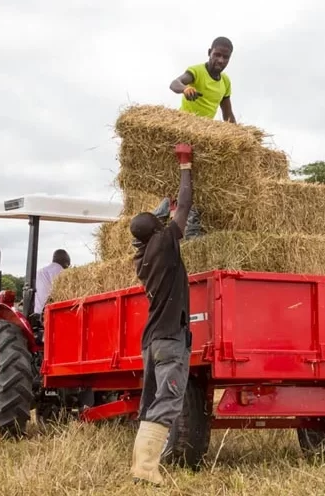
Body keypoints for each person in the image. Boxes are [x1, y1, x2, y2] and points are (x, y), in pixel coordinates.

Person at [127, 144, 194, 485]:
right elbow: (184, 207)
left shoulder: (143, 255)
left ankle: (142, 467)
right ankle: (146, 469)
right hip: (169, 338)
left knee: (153, 401)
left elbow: (161, 218)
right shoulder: (165, 243)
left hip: (152, 340)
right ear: (158, 230)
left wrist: (161, 208)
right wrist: (185, 165)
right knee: (168, 400)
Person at [169, 36, 236, 123]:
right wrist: (185, 89)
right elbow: (174, 83)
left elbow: (228, 114)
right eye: (217, 55)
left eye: (225, 57)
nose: (221, 60)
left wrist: (239, 134)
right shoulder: (197, 71)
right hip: (183, 123)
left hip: (204, 129)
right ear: (209, 52)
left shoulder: (225, 81)